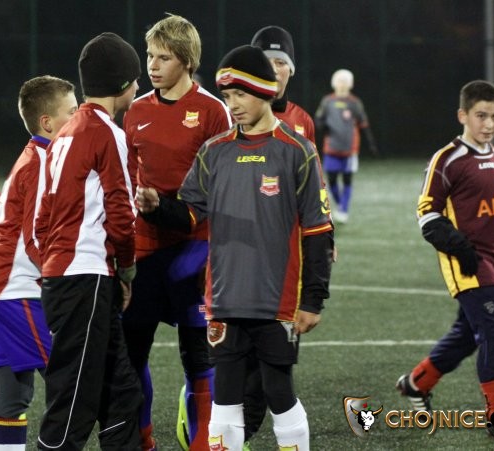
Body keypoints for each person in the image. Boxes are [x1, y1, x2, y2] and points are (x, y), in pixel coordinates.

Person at [137, 44, 334, 451]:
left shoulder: (297, 152)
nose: (233, 104)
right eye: (228, 96)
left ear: (264, 91)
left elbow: (318, 229)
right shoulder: (214, 151)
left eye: (241, 94)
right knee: (225, 398)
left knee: (279, 392)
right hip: (224, 299)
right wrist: (158, 209)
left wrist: (313, 299)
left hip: (277, 301)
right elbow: (191, 213)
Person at [396, 80, 494, 443]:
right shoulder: (447, 160)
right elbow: (427, 216)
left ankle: (417, 383)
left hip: (493, 264)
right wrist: (461, 249)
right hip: (466, 265)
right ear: (463, 115)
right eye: (481, 115)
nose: (489, 124)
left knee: (468, 335)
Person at [121, 14, 232, 451]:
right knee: (133, 352)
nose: (152, 65)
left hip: (194, 249)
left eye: (163, 57)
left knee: (198, 354)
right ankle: (142, 439)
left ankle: (202, 442)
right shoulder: (137, 111)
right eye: (150, 55)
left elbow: (220, 188)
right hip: (145, 249)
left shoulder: (212, 111)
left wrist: (169, 208)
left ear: (186, 60)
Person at [34, 32, 142, 450]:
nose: (139, 85)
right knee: (73, 404)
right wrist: (126, 269)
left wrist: (54, 266)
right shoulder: (106, 132)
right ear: (122, 84)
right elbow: (121, 213)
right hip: (86, 278)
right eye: (134, 78)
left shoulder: (65, 134)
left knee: (121, 394)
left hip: (66, 274)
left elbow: (42, 215)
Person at [0, 75, 78, 450]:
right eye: (72, 111)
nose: (79, 117)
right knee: (72, 380)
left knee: (14, 395)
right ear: (47, 122)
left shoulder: (42, 156)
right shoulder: (42, 161)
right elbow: (35, 237)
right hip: (15, 291)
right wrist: (67, 276)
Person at [238, 25, 320, 447]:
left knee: (275, 368)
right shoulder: (233, 115)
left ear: (291, 70)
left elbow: (315, 190)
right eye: (265, 63)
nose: (273, 70)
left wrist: (324, 239)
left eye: (280, 63)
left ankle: (244, 428)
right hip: (239, 259)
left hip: (287, 263)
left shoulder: (302, 122)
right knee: (237, 364)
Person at [314, 68, 377, 223]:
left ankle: (343, 210)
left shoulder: (355, 103)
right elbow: (318, 119)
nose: (342, 84)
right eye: (339, 81)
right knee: (332, 180)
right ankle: (340, 204)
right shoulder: (327, 101)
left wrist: (371, 144)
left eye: (345, 81)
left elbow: (363, 124)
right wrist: (322, 126)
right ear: (334, 83)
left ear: (350, 84)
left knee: (347, 180)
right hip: (331, 148)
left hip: (350, 150)